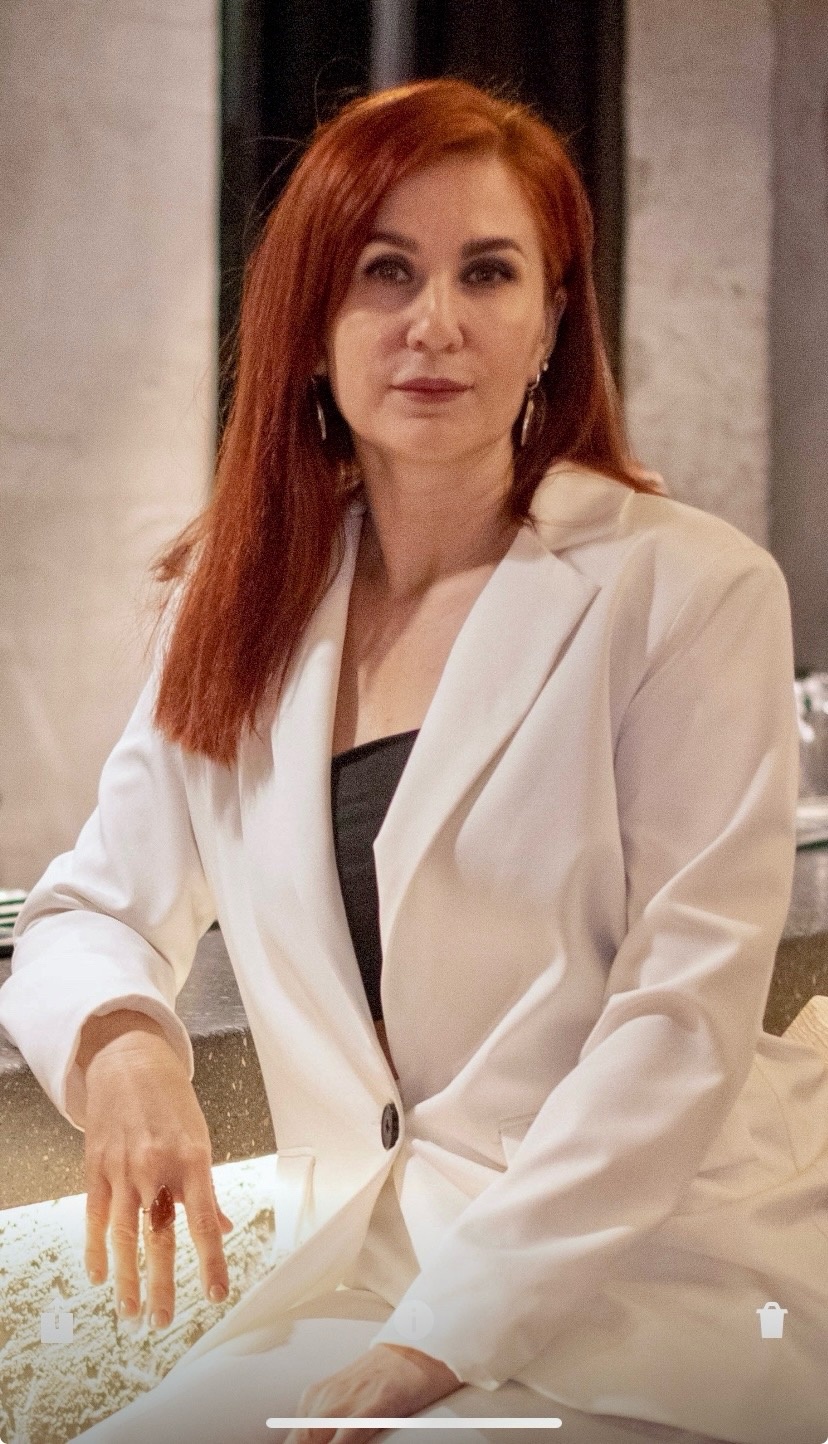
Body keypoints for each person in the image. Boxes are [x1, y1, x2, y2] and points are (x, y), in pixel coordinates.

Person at [1, 76, 827, 1444]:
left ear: (553, 321)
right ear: (310, 320)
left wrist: (444, 1340)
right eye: (385, 271)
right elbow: (91, 908)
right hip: (359, 1279)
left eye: (488, 273)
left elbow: (677, 1022)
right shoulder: (239, 601)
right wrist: (125, 1050)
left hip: (652, 1288)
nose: (434, 322)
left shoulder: (690, 591)